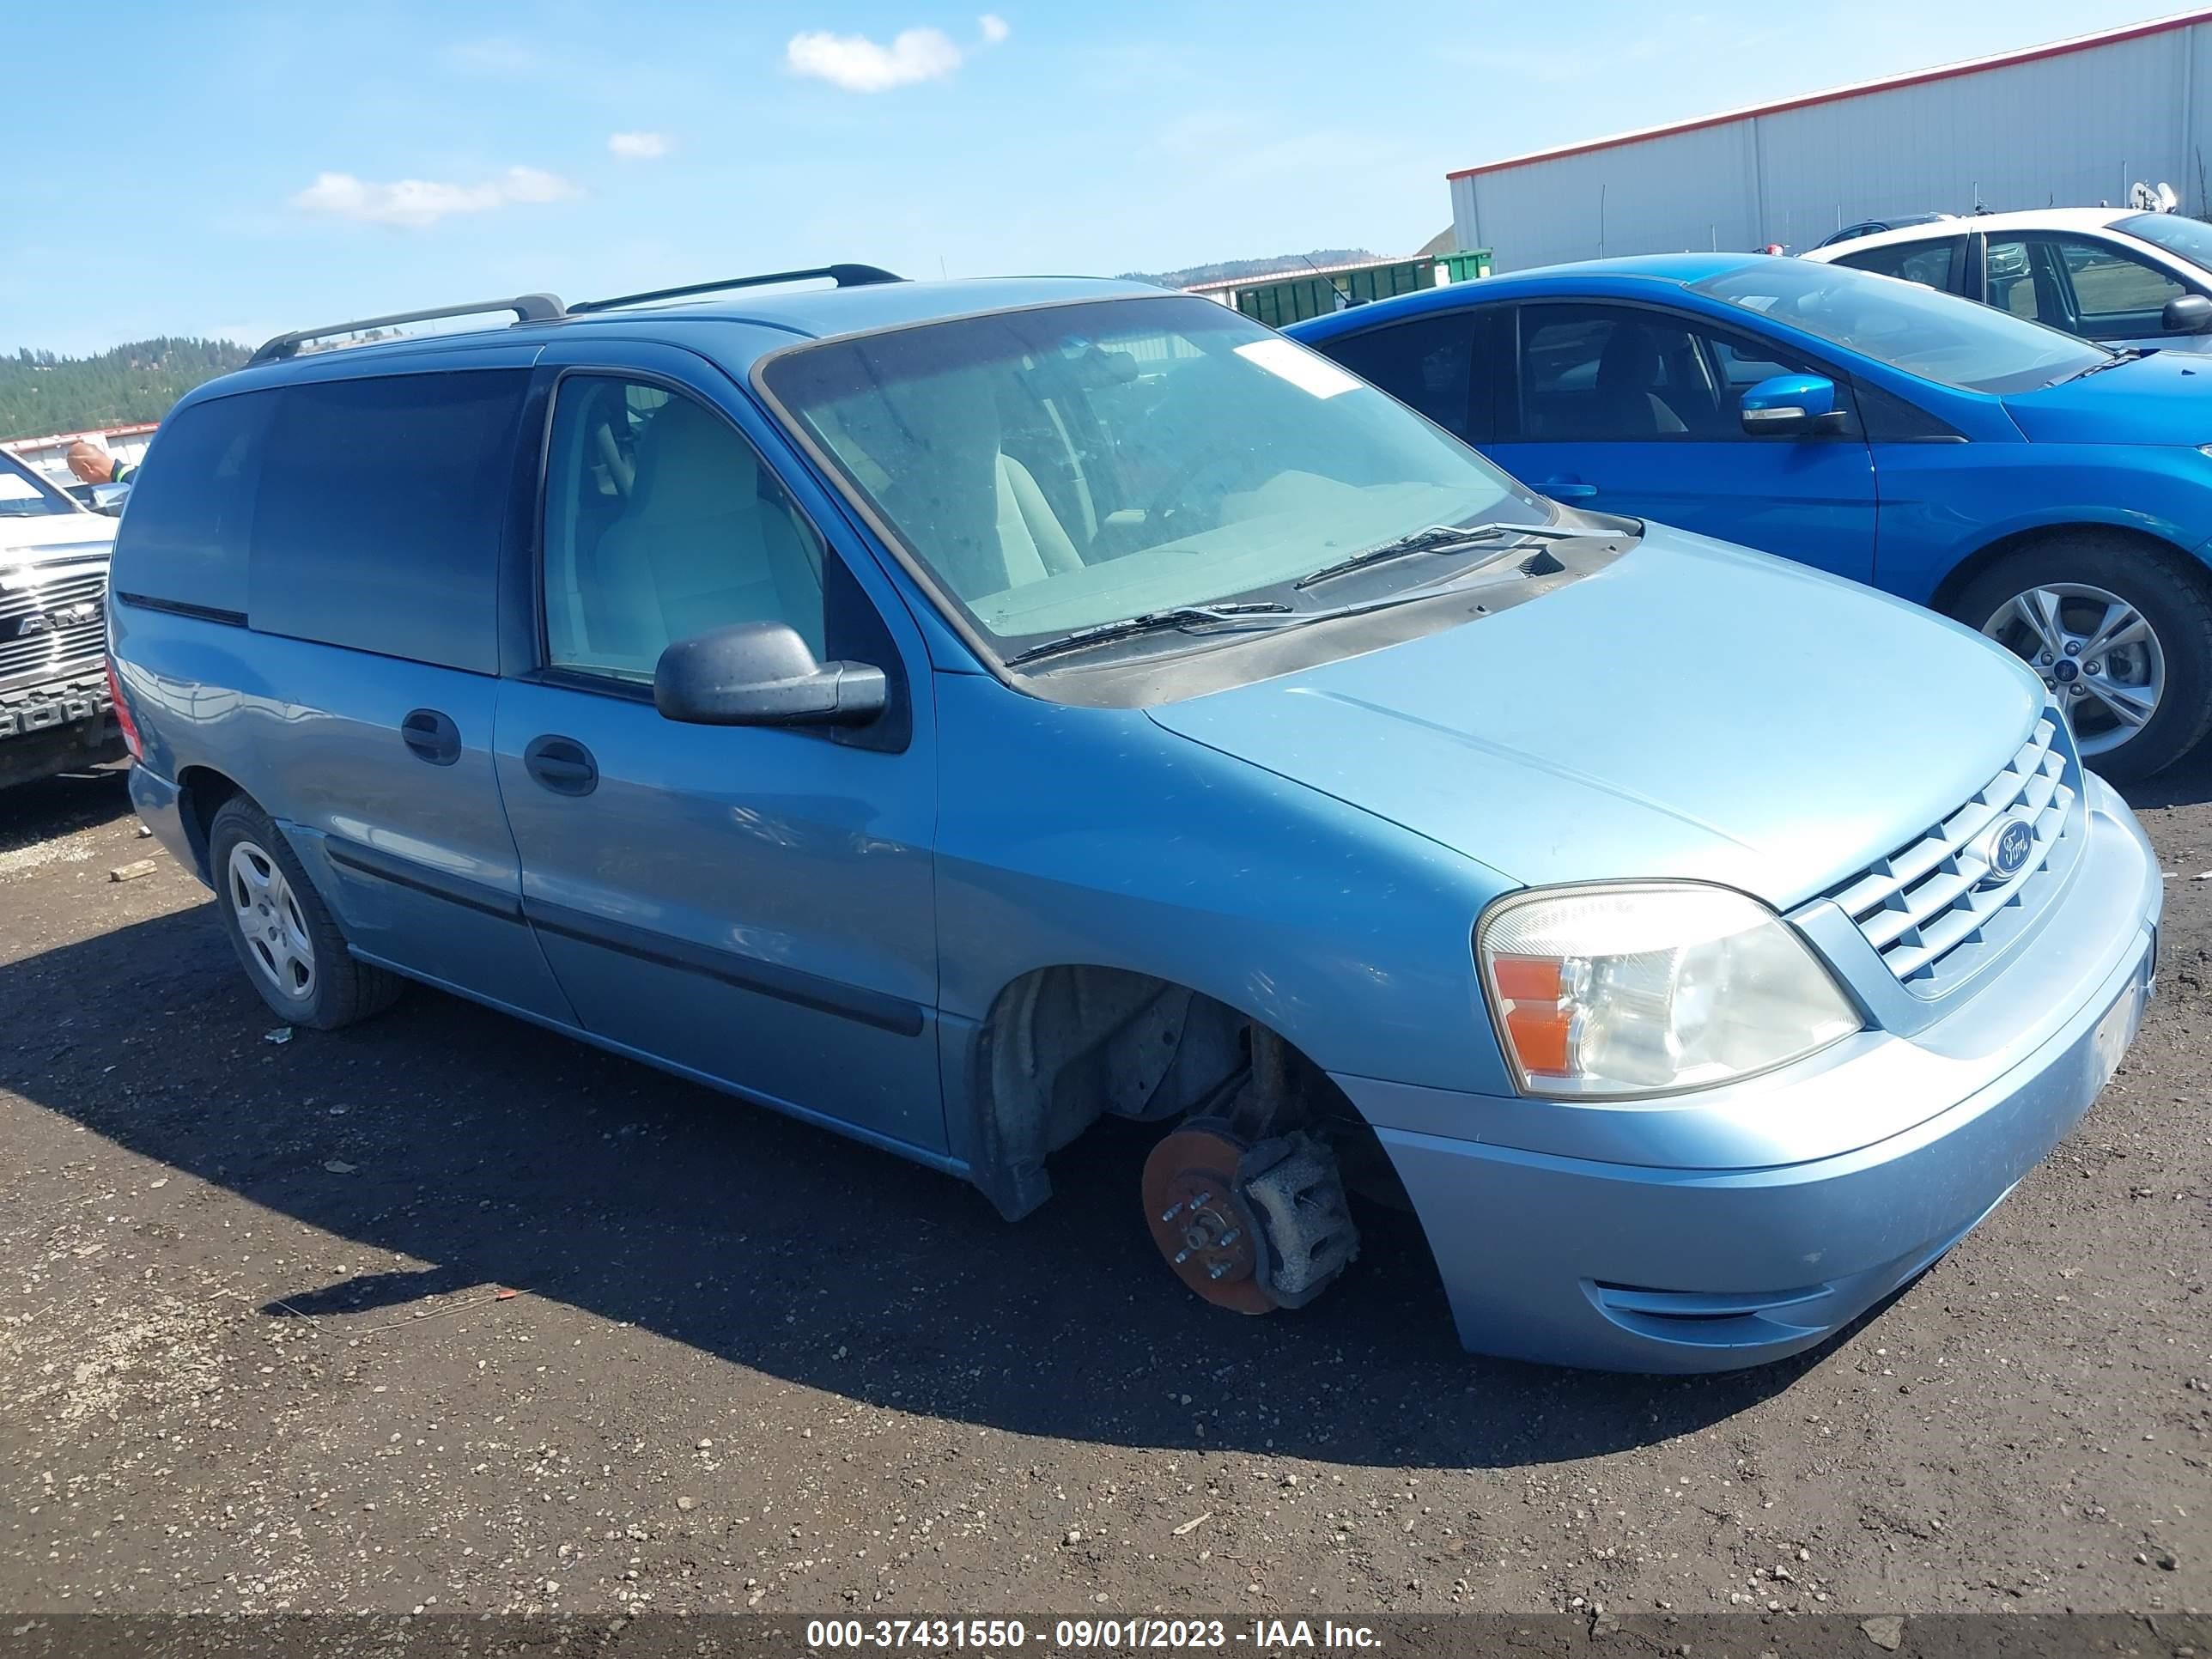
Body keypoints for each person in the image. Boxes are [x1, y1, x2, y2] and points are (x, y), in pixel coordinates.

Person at [64, 439, 135, 487]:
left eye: (79, 476)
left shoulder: (128, 483)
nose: (84, 480)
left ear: (86, 468)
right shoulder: (133, 476)